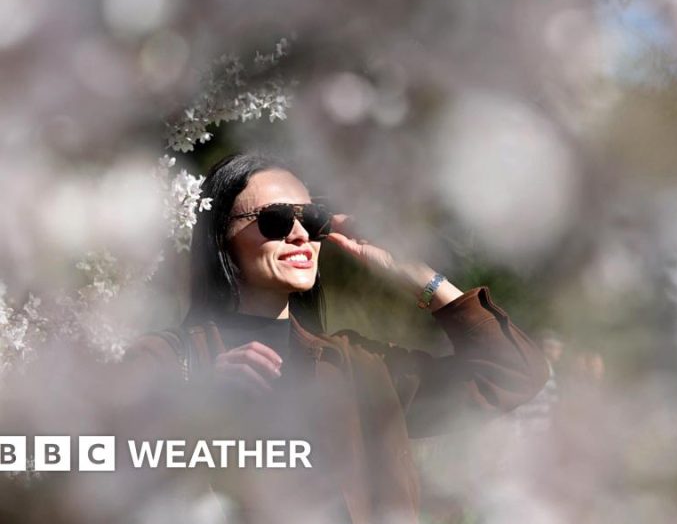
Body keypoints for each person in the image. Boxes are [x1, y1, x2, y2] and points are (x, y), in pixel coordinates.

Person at [122, 153, 549, 523]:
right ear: (221, 238)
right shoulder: (170, 358)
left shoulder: (358, 365)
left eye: (311, 219)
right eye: (275, 220)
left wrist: (416, 274)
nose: (300, 234)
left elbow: (512, 373)